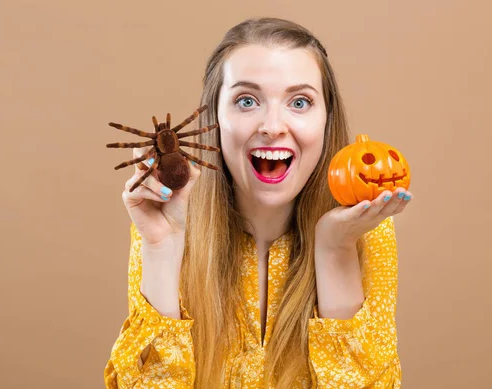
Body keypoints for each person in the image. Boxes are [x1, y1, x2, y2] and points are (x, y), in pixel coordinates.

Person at [103, 17, 412, 389]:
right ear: (212, 120)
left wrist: (335, 251)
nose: (272, 126)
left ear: (327, 121)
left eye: (300, 102)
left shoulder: (364, 232)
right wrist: (162, 250)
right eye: (246, 101)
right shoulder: (168, 223)